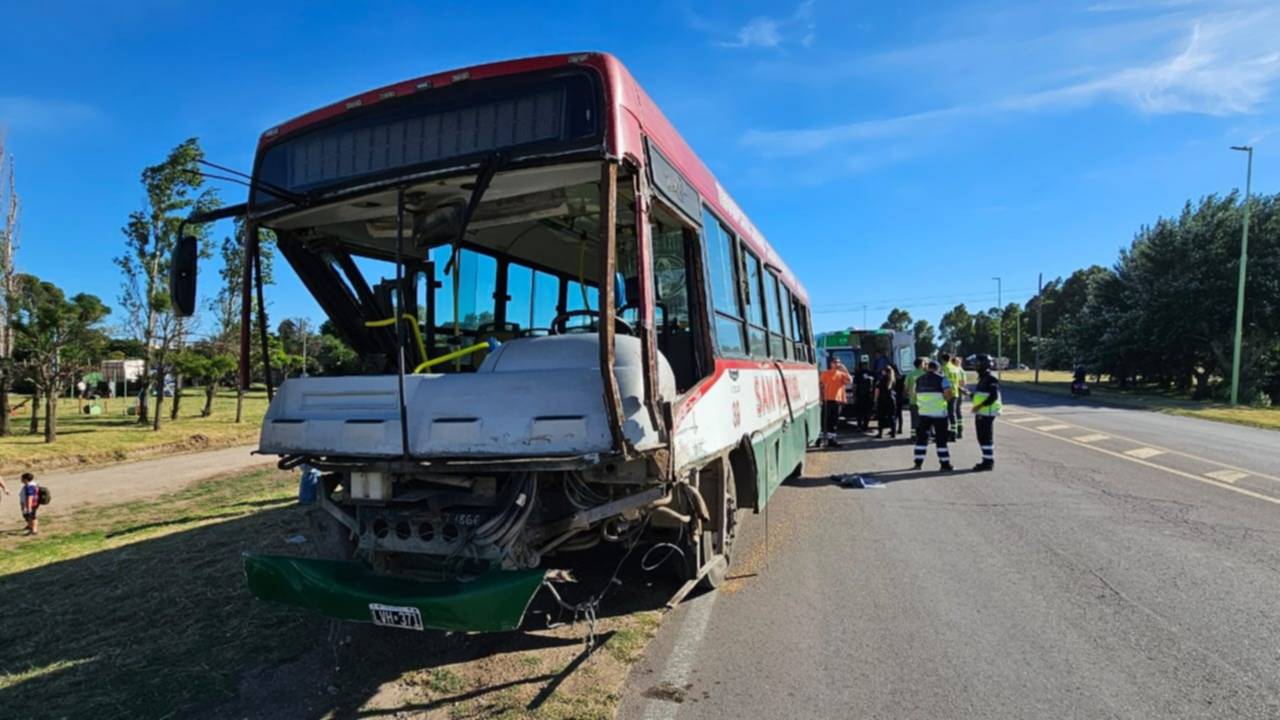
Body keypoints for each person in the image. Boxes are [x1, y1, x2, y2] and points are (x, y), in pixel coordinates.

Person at [913, 360, 955, 471]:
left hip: (924, 413)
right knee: (941, 440)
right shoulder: (942, 379)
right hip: (939, 414)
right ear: (938, 368)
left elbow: (915, 394)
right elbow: (948, 395)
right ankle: (944, 464)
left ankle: (918, 463)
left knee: (921, 439)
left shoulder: (919, 380)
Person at [971, 354, 1002, 471]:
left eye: (977, 364)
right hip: (982, 412)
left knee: (985, 437)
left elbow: (993, 396)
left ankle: (988, 462)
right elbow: (981, 395)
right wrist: (970, 395)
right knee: (982, 437)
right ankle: (986, 459)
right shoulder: (983, 377)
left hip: (987, 412)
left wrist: (979, 406)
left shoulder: (991, 378)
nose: (975, 366)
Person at [819, 357, 853, 447]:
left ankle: (831, 440)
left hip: (837, 400)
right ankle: (821, 440)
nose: (837, 364)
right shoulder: (825, 374)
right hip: (827, 400)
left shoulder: (841, 374)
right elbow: (820, 386)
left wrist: (845, 370)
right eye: (835, 362)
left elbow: (850, 381)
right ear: (831, 364)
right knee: (825, 421)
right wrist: (820, 398)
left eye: (838, 362)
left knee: (834, 421)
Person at [904, 358, 926, 440]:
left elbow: (906, 388)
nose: (925, 365)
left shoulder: (910, 375)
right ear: (920, 364)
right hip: (924, 401)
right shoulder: (925, 374)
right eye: (924, 363)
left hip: (913, 400)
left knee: (914, 419)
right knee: (924, 419)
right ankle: (923, 435)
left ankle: (913, 436)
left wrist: (909, 394)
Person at [874, 365, 898, 438]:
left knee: (881, 417)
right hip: (891, 399)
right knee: (892, 416)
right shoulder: (893, 379)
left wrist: (875, 400)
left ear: (884, 371)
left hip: (882, 399)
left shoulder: (881, 379)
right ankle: (893, 433)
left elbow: (877, 390)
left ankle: (880, 433)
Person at [854, 362, 874, 432]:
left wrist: (854, 395)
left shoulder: (858, 373)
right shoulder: (871, 373)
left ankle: (859, 425)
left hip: (860, 395)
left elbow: (855, 385)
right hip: (868, 395)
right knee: (867, 411)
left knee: (859, 411)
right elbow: (873, 385)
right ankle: (865, 426)